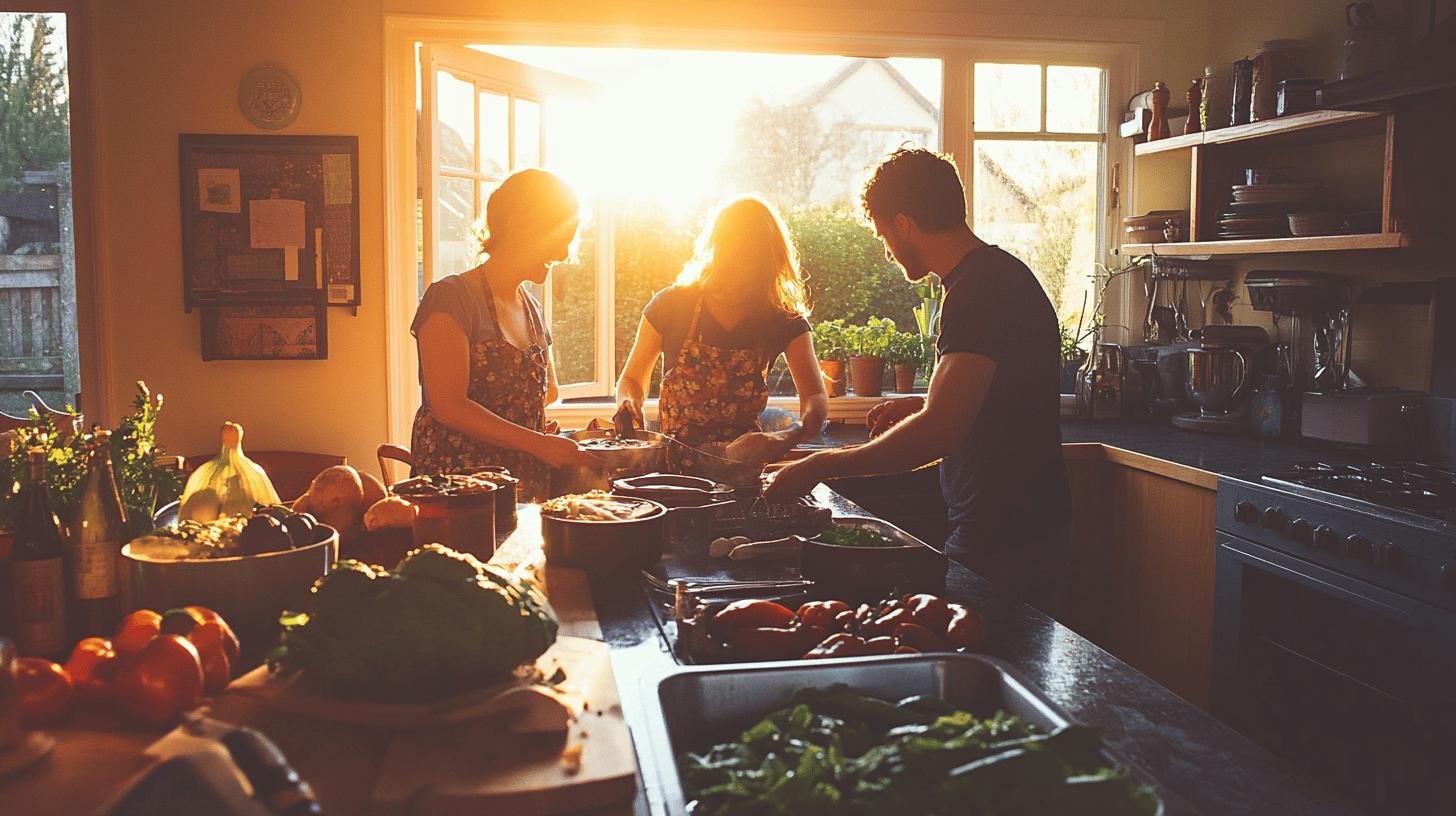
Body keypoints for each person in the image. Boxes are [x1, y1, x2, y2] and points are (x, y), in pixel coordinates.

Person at [764, 148, 1072, 614]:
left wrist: (819, 466)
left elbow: (941, 432)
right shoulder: (994, 276)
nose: (886, 250)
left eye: (883, 233)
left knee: (980, 664)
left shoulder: (976, 292)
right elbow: (989, 393)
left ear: (905, 223)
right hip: (1019, 526)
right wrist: (919, 404)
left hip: (1005, 535)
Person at [410, 168, 601, 500]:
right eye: (561, 235)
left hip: (525, 485)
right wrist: (539, 443)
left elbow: (548, 392)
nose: (565, 253)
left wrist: (551, 437)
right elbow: (448, 405)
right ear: (520, 225)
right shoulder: (451, 297)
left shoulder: (531, 308)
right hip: (459, 490)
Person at [615, 196, 829, 472]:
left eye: (748, 264)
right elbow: (632, 378)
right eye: (730, 258)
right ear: (715, 250)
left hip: (742, 473)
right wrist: (628, 403)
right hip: (673, 473)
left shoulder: (780, 318)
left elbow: (816, 399)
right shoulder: (671, 305)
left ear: (768, 264)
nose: (736, 274)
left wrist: (786, 435)